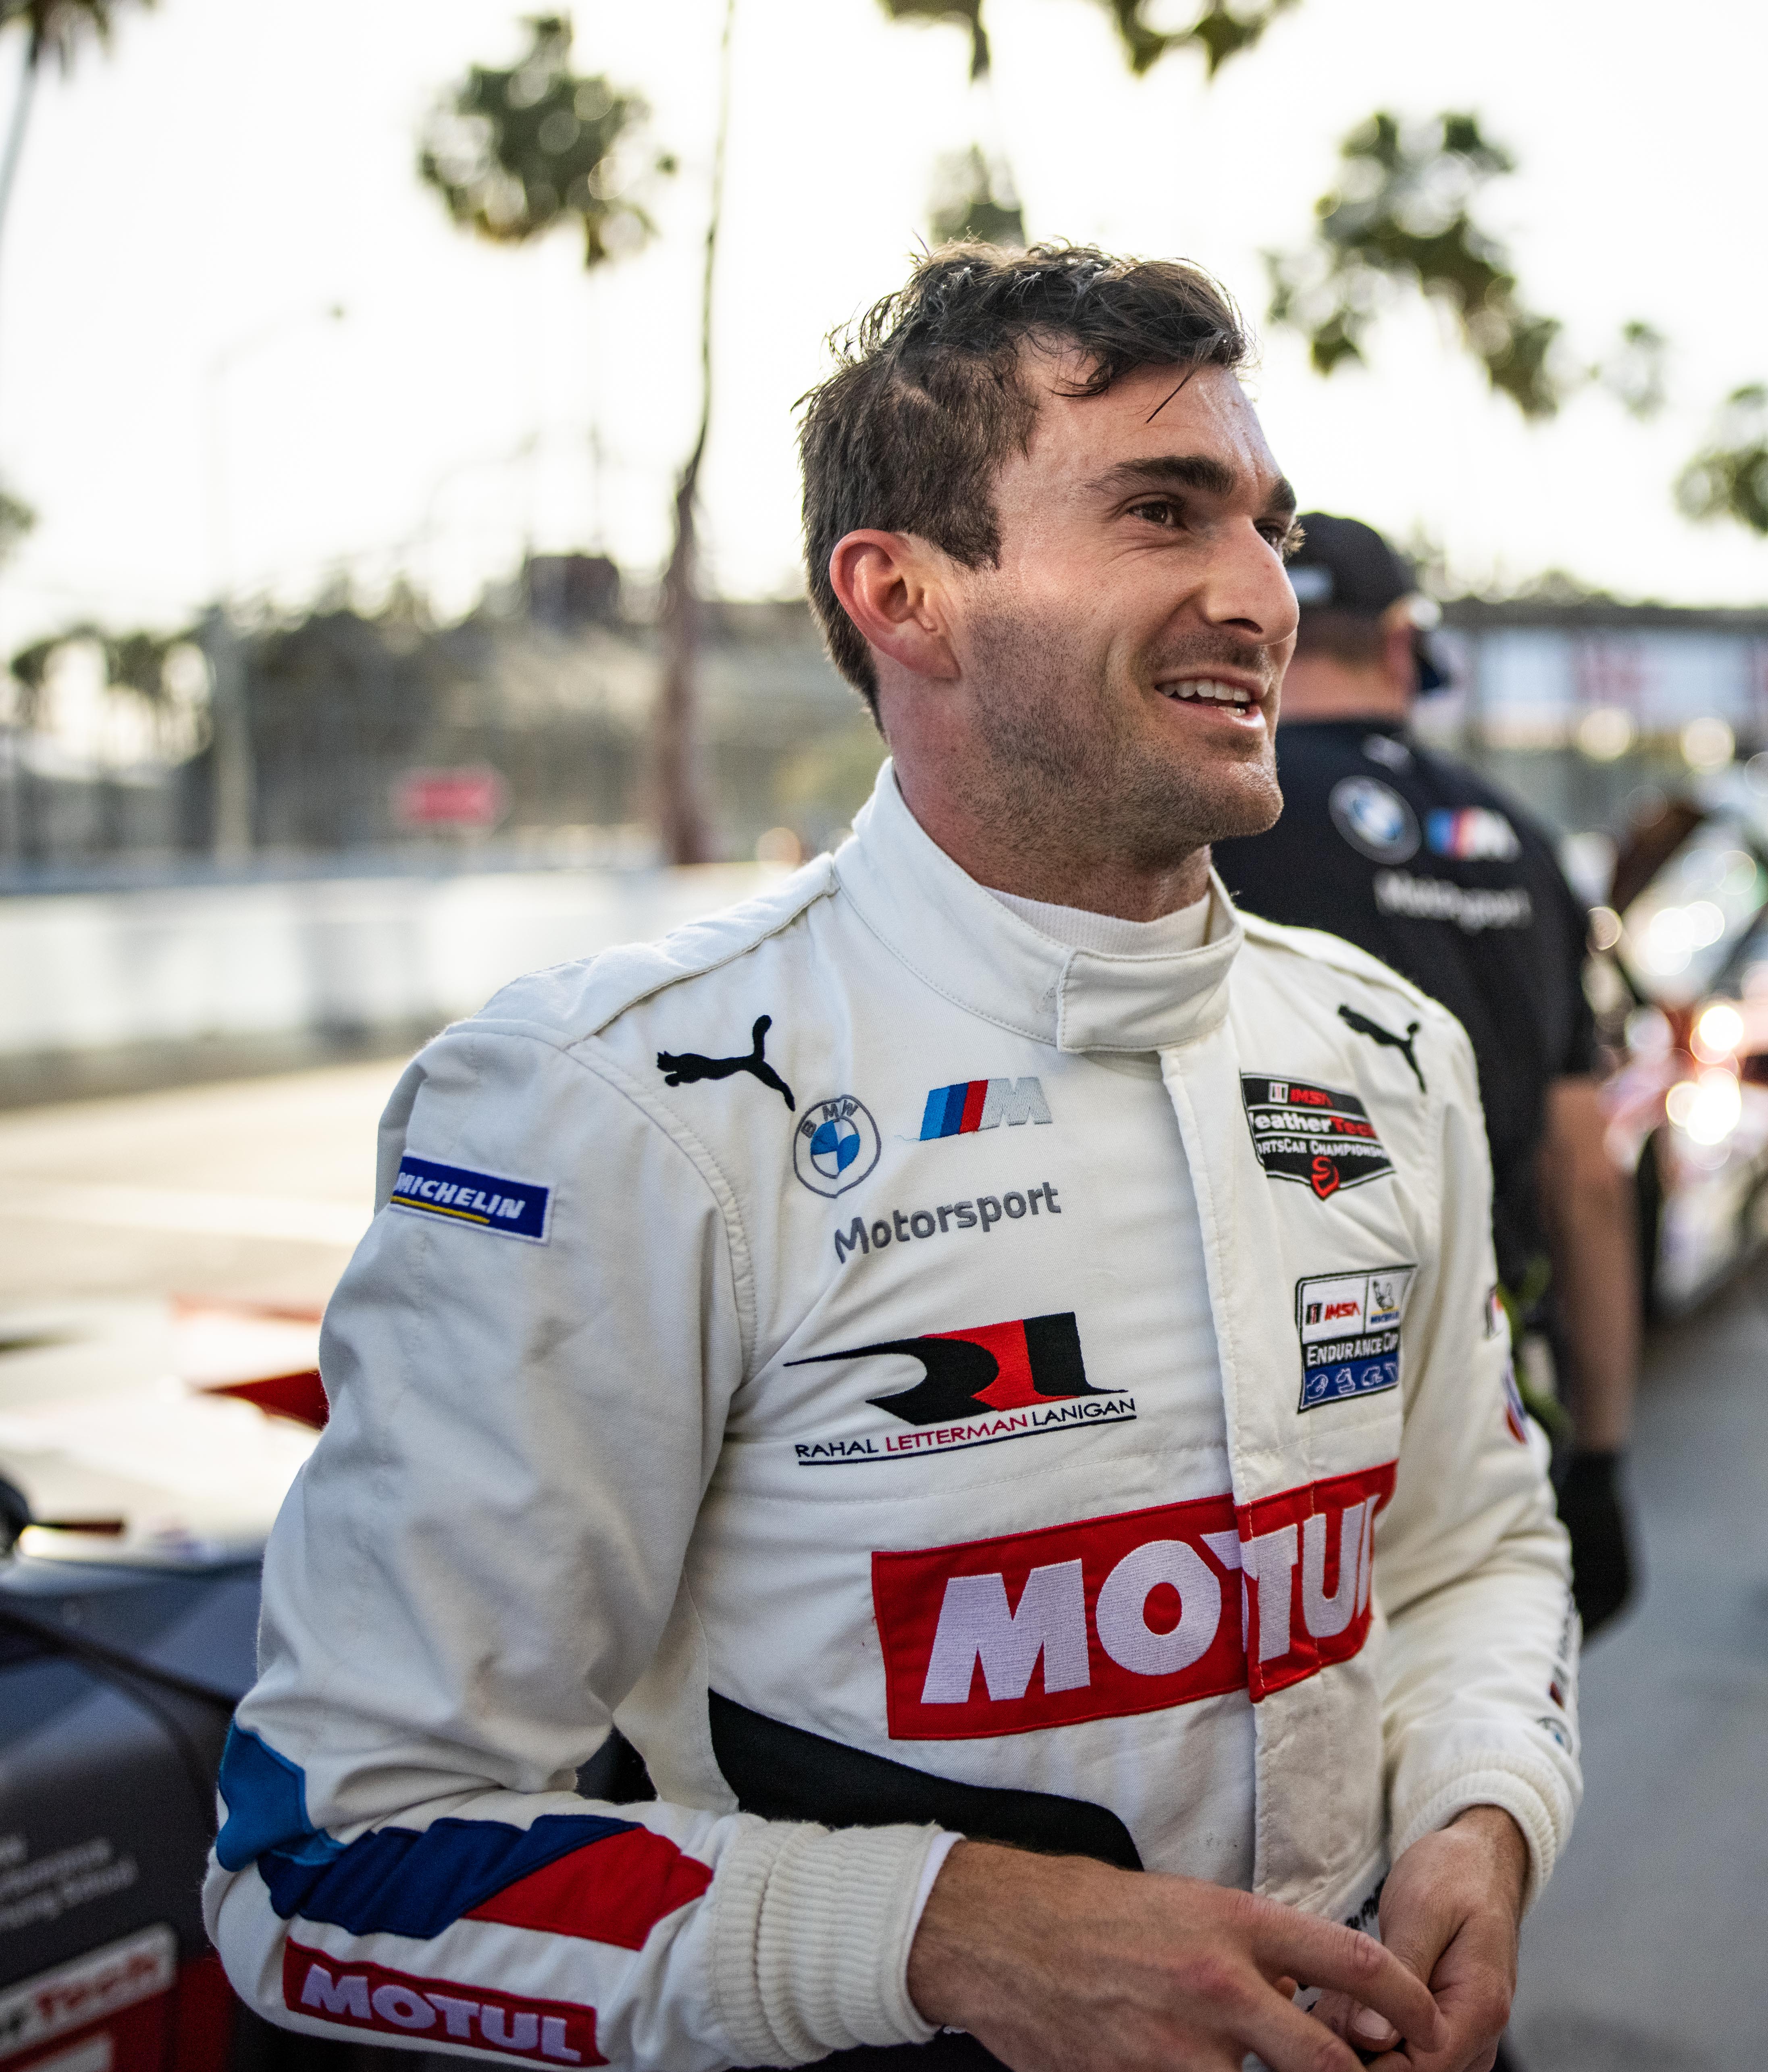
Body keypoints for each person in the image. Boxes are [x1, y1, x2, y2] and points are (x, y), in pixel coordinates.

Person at [204, 243, 1578, 2072]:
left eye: (1270, 524)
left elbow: (1472, 1546)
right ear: (905, 595)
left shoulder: (1385, 1051)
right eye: (1162, 511)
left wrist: (1483, 1803)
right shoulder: (611, 1105)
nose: (1262, 592)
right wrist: (943, 1935)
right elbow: (323, 1867)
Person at [1212, 513, 1641, 1636]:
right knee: (1476, 1711)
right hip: (1483, 1395)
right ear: (1403, 645)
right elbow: (1587, 1176)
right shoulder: (1521, 842)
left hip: (1272, 1414)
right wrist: (1601, 1456)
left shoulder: (1210, 823)